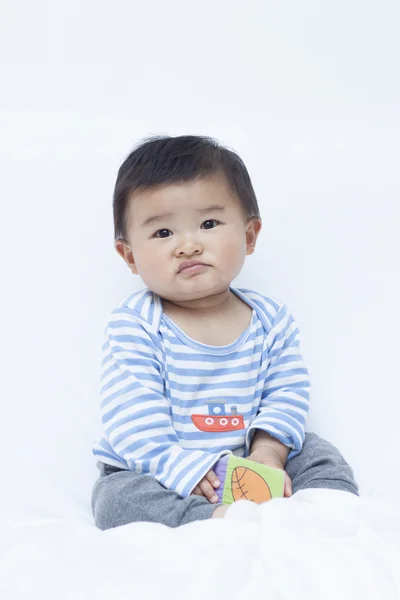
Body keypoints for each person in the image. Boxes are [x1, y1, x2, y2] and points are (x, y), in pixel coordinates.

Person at [91, 135, 358, 530]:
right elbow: (135, 425)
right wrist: (190, 471)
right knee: (116, 499)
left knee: (318, 452)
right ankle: (213, 519)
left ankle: (325, 512)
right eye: (163, 233)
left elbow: (287, 392)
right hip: (164, 467)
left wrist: (268, 452)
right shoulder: (135, 325)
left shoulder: (270, 320)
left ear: (249, 236)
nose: (188, 245)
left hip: (249, 457)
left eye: (209, 224)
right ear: (130, 255)